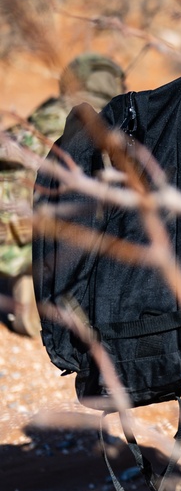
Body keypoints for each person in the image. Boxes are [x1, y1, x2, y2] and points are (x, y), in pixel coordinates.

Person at [0, 53, 126, 336]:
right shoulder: (104, 117)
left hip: (12, 218)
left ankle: (26, 283)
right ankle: (41, 293)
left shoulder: (50, 109)